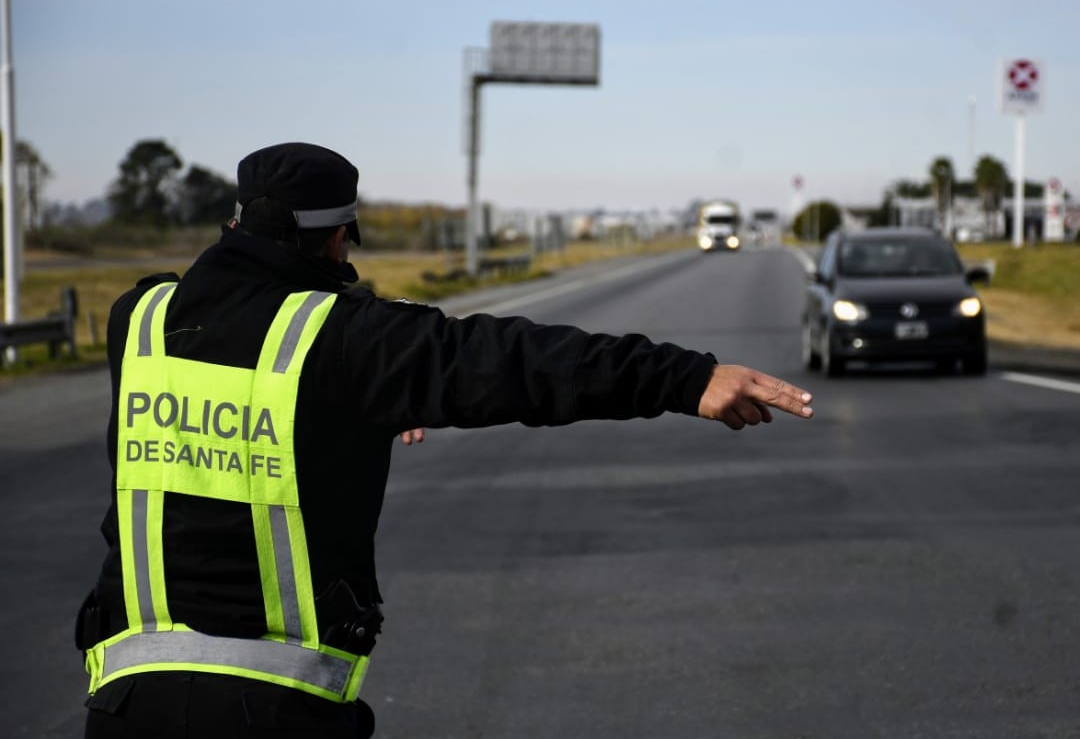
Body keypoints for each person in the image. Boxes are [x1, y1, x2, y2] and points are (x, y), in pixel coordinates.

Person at [75, 142, 814, 738]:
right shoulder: (348, 341)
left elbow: (237, 385)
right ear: (336, 237)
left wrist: (353, 403)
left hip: (123, 703)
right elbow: (517, 362)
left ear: (234, 226)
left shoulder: (136, 320)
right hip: (277, 705)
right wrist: (686, 379)